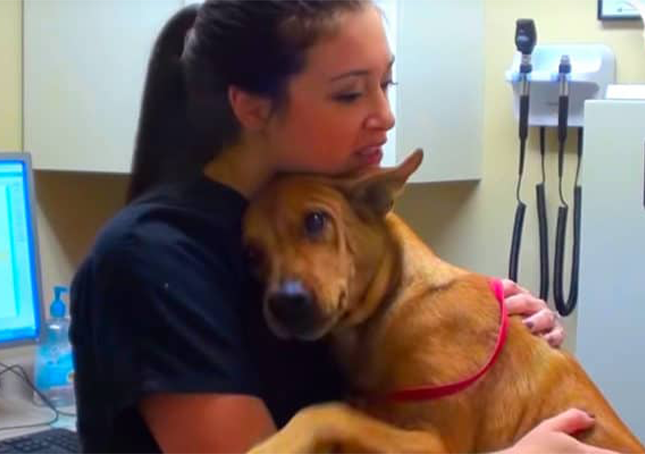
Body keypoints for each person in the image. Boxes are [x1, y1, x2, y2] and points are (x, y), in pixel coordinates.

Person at [69, 1, 608, 453]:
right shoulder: (153, 256)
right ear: (252, 107)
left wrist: (500, 341)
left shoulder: (325, 215)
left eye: (386, 82)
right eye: (351, 92)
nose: (385, 114)